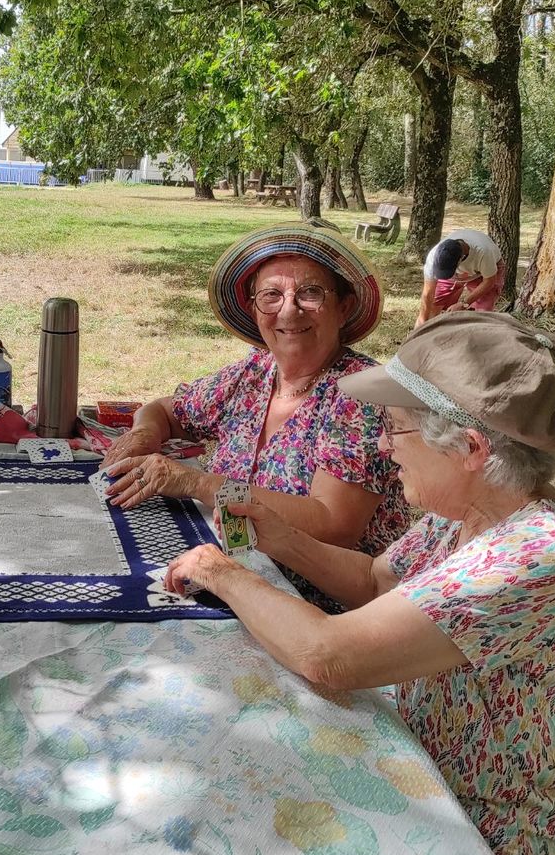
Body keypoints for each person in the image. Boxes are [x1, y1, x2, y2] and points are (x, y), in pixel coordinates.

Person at [163, 313, 555, 855]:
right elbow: (375, 580)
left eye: (396, 429)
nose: (383, 446)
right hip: (416, 782)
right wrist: (280, 536)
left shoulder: (537, 557)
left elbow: (329, 656)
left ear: (470, 448)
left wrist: (221, 572)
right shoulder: (472, 511)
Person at [100, 221, 410, 610]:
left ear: (344, 308)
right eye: (271, 295)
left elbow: (333, 525)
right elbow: (164, 410)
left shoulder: (358, 394)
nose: (289, 309)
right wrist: (144, 435)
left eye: (310, 293)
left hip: (320, 606)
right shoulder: (255, 372)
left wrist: (197, 483)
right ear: (254, 308)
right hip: (237, 577)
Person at [417, 228, 504, 326]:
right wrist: (422, 321)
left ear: (461, 259)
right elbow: (428, 293)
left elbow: (489, 281)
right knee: (433, 307)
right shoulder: (434, 257)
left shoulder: (483, 252)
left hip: (483, 273)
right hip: (457, 274)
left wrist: (463, 303)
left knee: (482, 313)